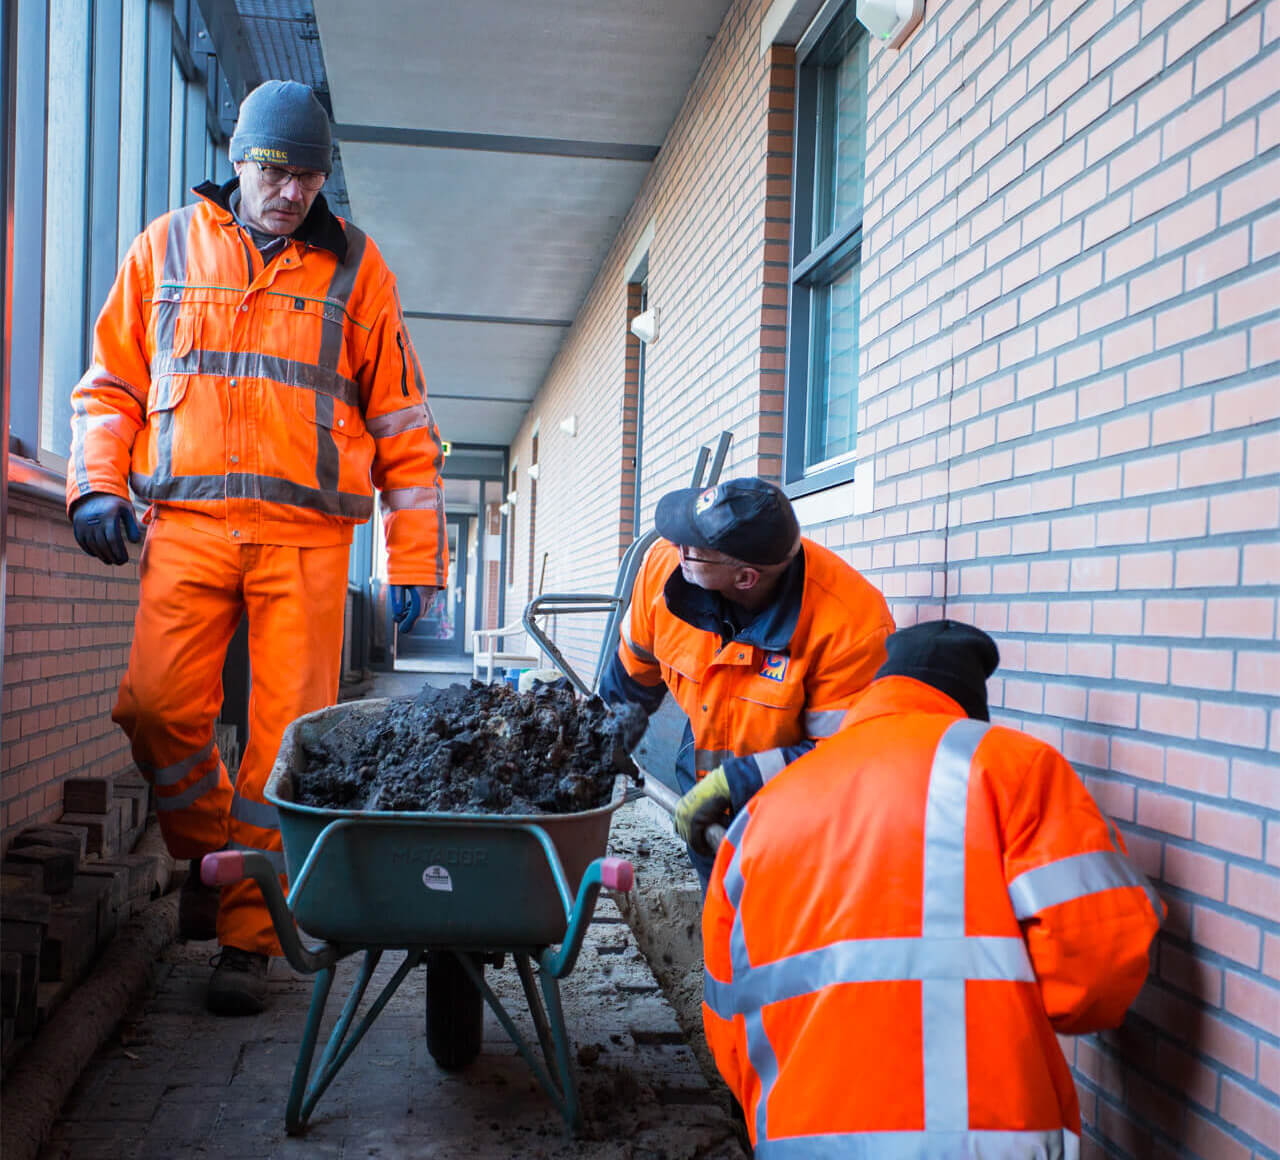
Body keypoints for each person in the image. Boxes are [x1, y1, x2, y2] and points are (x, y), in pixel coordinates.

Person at [65, 80, 448, 1015]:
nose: (290, 190)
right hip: (188, 528)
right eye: (274, 170)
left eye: (308, 174)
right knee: (155, 710)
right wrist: (92, 485)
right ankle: (212, 861)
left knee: (285, 746)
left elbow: (403, 424)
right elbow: (111, 384)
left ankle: (247, 935)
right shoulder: (164, 250)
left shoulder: (360, 271)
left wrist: (417, 559)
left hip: (308, 542)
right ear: (238, 162)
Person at [701, 619, 1165, 1156]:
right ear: (969, 706)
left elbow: (726, 1011)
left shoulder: (764, 810)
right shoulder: (1013, 768)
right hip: (986, 1142)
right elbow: (1096, 973)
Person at [598, 476, 894, 883]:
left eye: (693, 549)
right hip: (702, 777)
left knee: (769, 924)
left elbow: (843, 759)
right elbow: (633, 673)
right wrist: (601, 746)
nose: (677, 549)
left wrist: (737, 781)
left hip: (792, 814)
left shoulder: (851, 627)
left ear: (745, 578)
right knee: (718, 914)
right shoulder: (663, 572)